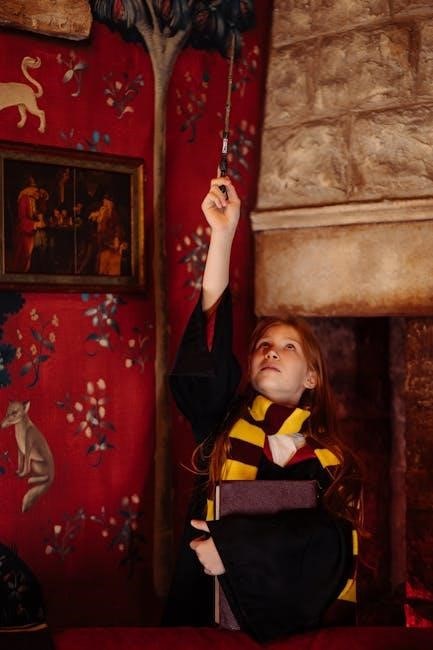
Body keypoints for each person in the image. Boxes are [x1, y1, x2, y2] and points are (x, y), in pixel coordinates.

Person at [163, 176, 363, 642]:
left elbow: (329, 550)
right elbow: (208, 355)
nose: (271, 350)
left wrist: (231, 550)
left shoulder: (332, 463)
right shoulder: (221, 425)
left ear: (312, 378)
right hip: (205, 617)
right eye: (262, 345)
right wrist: (223, 235)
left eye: (289, 347)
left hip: (298, 632)